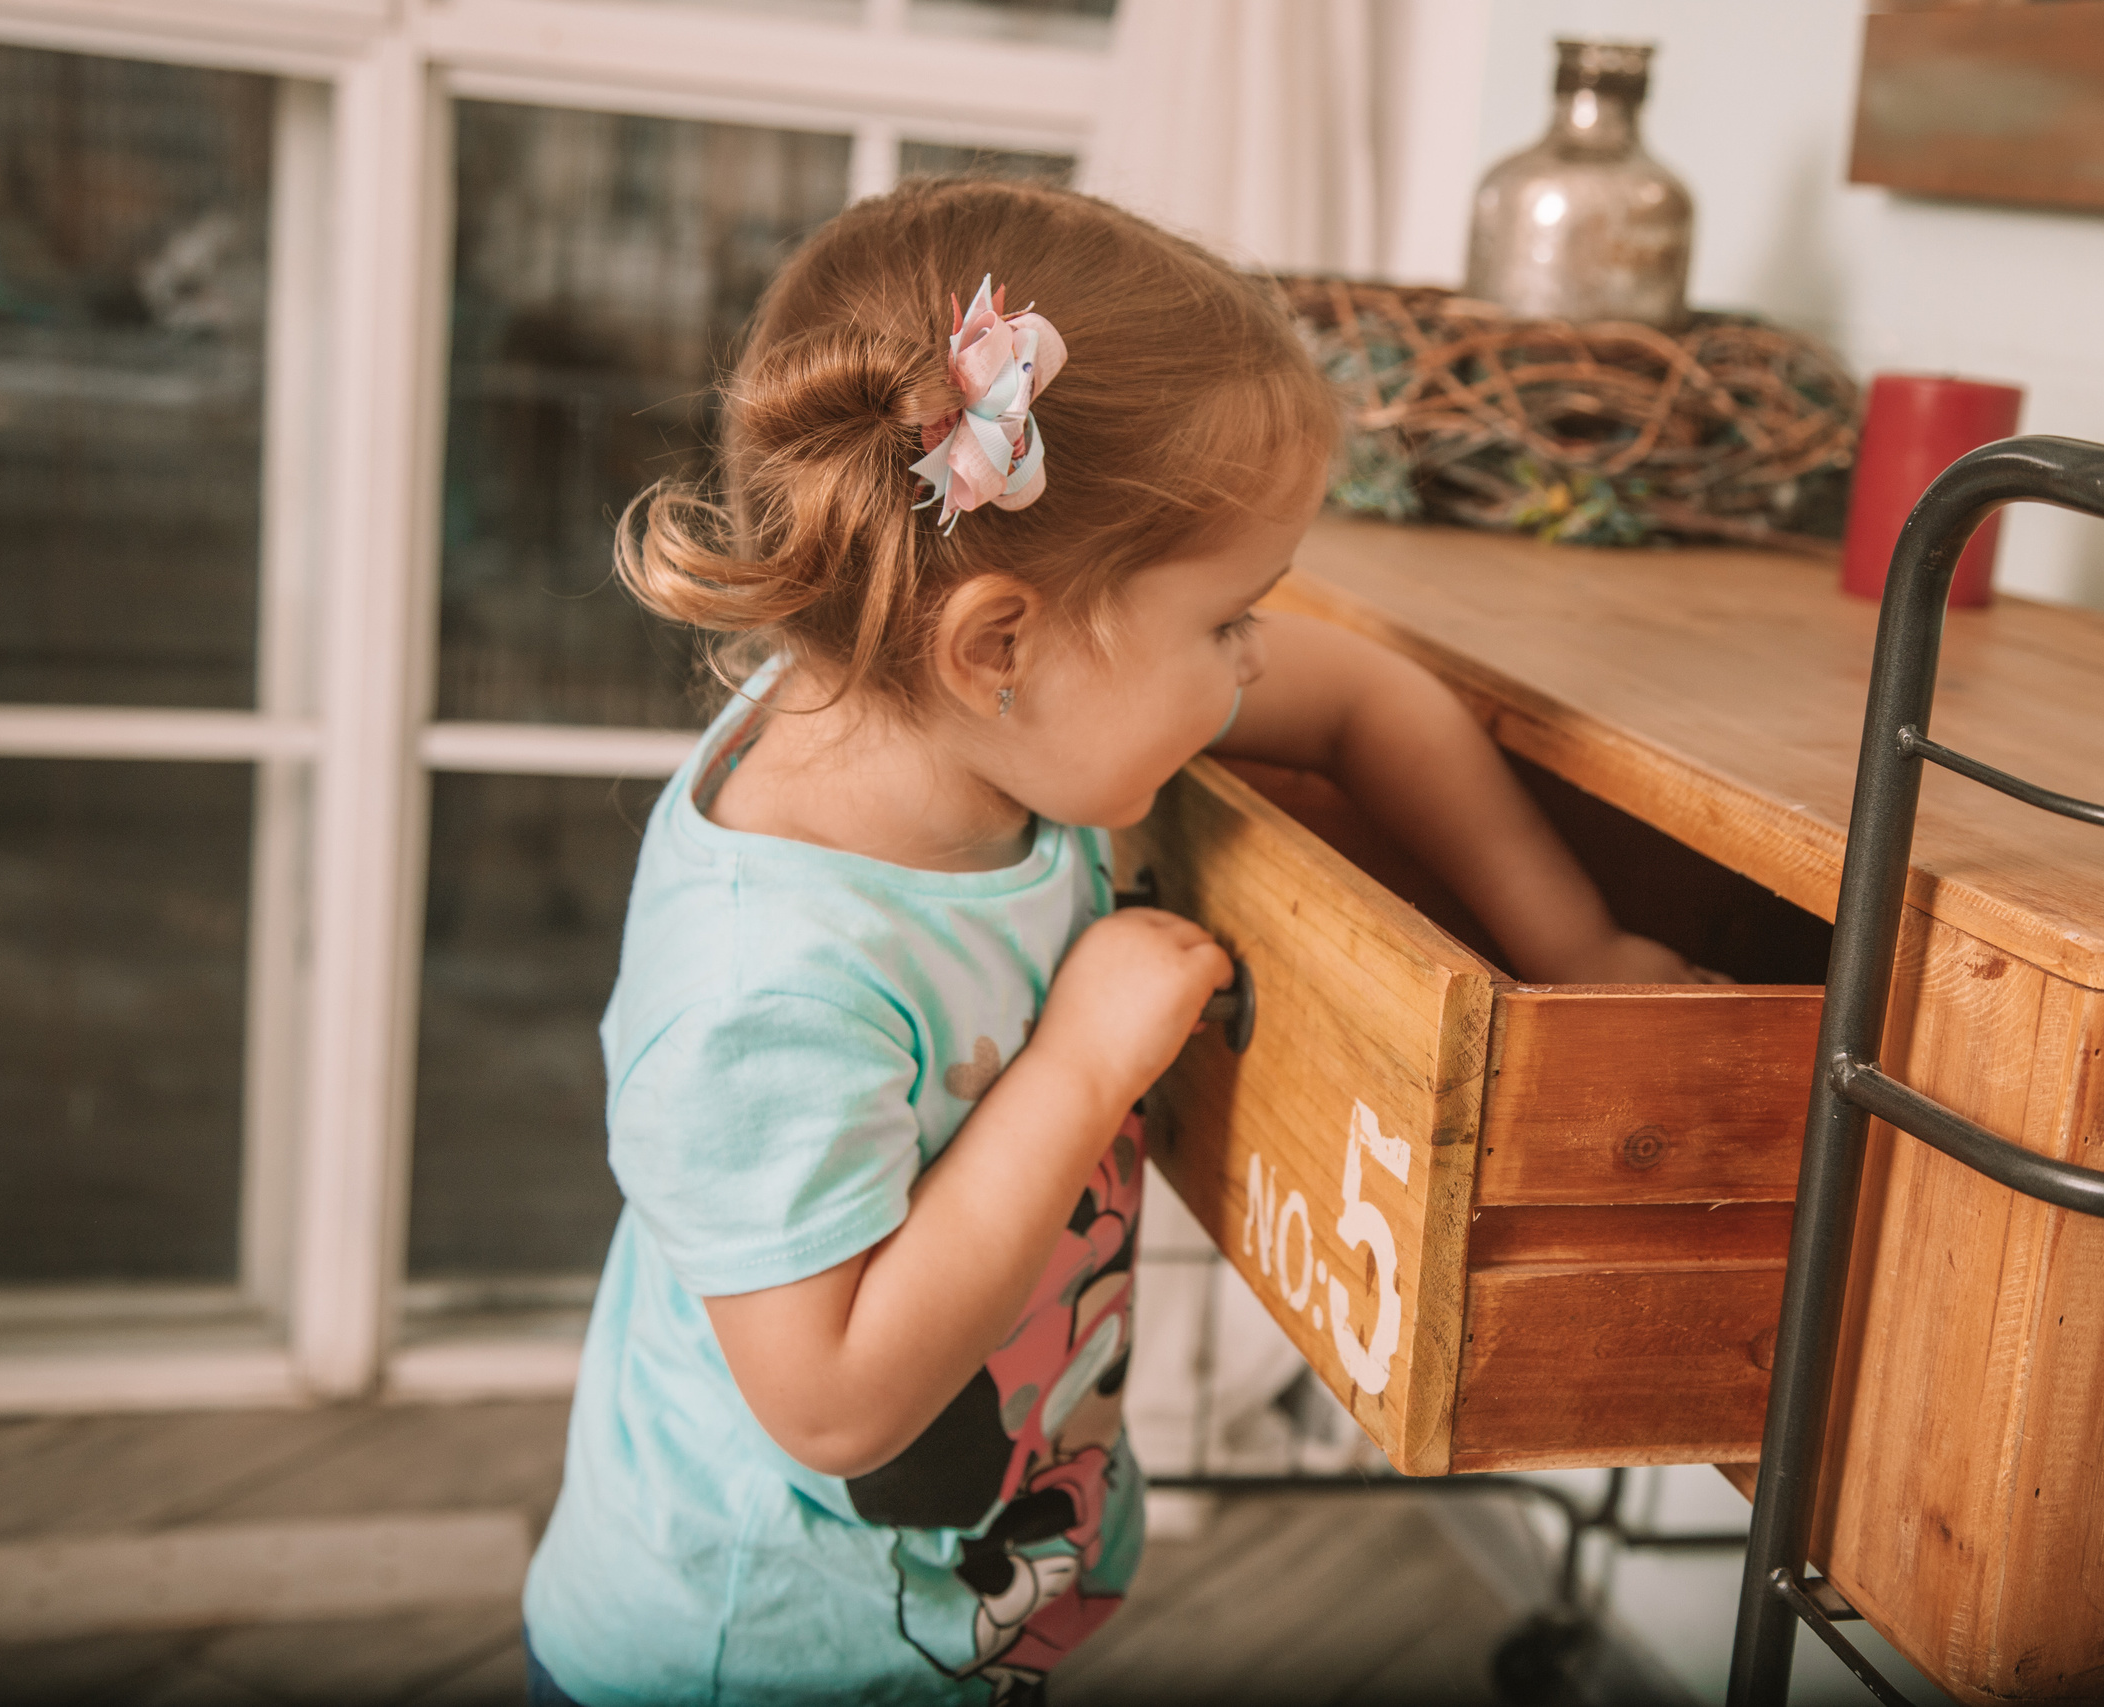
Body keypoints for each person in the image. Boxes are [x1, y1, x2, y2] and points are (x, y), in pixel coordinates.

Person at [520, 178, 1707, 1707]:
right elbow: (830, 1407)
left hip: (954, 1610)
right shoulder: (763, 983)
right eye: (1225, 623)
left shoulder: (946, 713)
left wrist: (1584, 946)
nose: (1249, 665)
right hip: (752, 1655)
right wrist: (1079, 1065)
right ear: (999, 644)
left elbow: (1367, 700)